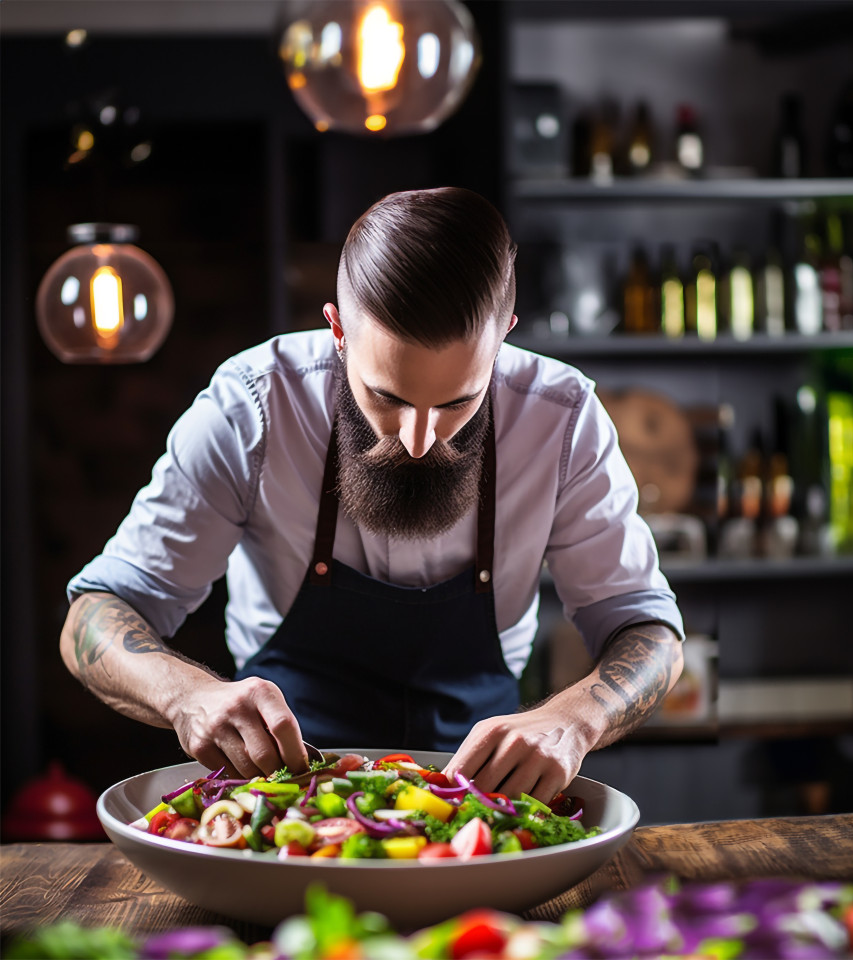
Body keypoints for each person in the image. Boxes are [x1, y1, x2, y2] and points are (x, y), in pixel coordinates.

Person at [60, 187, 684, 803]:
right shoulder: (253, 409)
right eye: (387, 397)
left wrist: (575, 720)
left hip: (479, 804)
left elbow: (649, 631)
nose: (419, 441)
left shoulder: (563, 418)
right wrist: (186, 695)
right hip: (285, 800)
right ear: (336, 330)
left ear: (504, 339)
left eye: (457, 402)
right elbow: (97, 613)